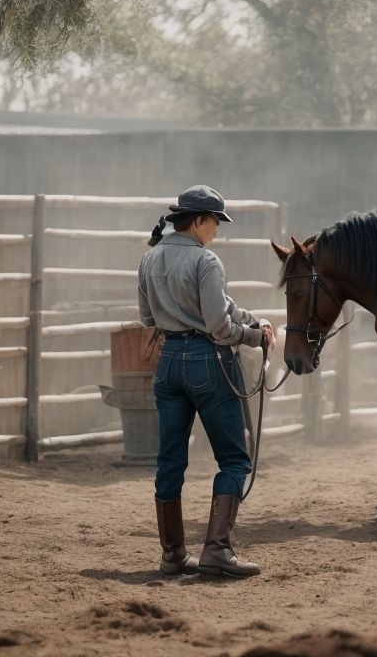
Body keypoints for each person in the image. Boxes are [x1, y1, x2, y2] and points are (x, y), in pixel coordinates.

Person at [138, 185, 275, 578]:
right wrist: (252, 337)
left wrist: (251, 319)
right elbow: (217, 324)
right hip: (207, 362)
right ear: (198, 220)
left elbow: (148, 319)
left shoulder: (149, 259)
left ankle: (173, 554)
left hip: (168, 364)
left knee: (170, 461)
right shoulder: (206, 261)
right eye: (215, 221)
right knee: (234, 458)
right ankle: (217, 549)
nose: (216, 229)